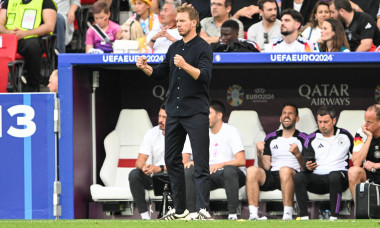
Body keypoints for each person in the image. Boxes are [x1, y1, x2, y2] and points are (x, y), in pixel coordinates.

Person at [135, 5, 213, 220]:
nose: (177, 24)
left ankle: (203, 209)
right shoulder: (174, 47)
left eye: (182, 21)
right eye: (177, 21)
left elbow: (205, 76)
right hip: (174, 112)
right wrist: (145, 67)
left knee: (200, 161)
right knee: (172, 161)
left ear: (194, 23)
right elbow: (160, 73)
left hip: (196, 111)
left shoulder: (203, 47)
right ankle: (180, 210)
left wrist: (186, 65)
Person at [184, 100, 246, 220]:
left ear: (219, 115)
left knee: (229, 170)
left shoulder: (231, 131)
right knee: (189, 170)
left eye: (208, 113)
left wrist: (221, 164)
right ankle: (194, 214)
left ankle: (232, 214)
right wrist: (194, 163)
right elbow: (187, 160)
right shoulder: (199, 132)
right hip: (209, 175)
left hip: (231, 174)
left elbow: (241, 160)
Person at [246, 103, 308, 220]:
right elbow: (266, 166)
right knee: (251, 170)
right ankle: (253, 215)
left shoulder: (304, 138)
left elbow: (306, 168)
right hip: (273, 175)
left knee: (284, 170)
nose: (286, 115)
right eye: (284, 113)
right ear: (280, 118)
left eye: (290, 113)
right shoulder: (271, 137)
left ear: (297, 118)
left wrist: (298, 154)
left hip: (292, 176)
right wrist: (259, 154)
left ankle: (287, 215)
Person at [128, 104, 191, 219]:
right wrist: (144, 167)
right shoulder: (151, 133)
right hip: (157, 176)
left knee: (186, 174)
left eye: (165, 117)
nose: (160, 120)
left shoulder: (183, 133)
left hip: (176, 176)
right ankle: (145, 217)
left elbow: (183, 162)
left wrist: (160, 168)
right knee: (134, 174)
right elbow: (139, 162)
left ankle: (181, 214)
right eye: (159, 116)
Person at [294, 106, 353, 220]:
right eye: (320, 122)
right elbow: (307, 164)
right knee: (298, 177)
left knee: (334, 175)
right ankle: (304, 217)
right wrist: (307, 166)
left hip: (340, 178)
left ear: (334, 121)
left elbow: (356, 156)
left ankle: (333, 217)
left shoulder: (345, 135)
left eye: (326, 122)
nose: (322, 125)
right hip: (318, 178)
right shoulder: (311, 139)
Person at [0, 0, 57, 92]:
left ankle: (33, 85)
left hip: (33, 38)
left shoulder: (46, 2)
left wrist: (25, 33)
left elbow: (49, 26)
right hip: (10, 38)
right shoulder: (9, 2)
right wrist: (9, 33)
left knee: (32, 46)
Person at [348, 104, 380, 202]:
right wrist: (369, 138)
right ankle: (362, 212)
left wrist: (376, 165)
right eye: (365, 121)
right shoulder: (360, 133)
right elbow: (357, 162)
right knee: (353, 172)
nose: (365, 125)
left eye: (369, 122)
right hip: (370, 173)